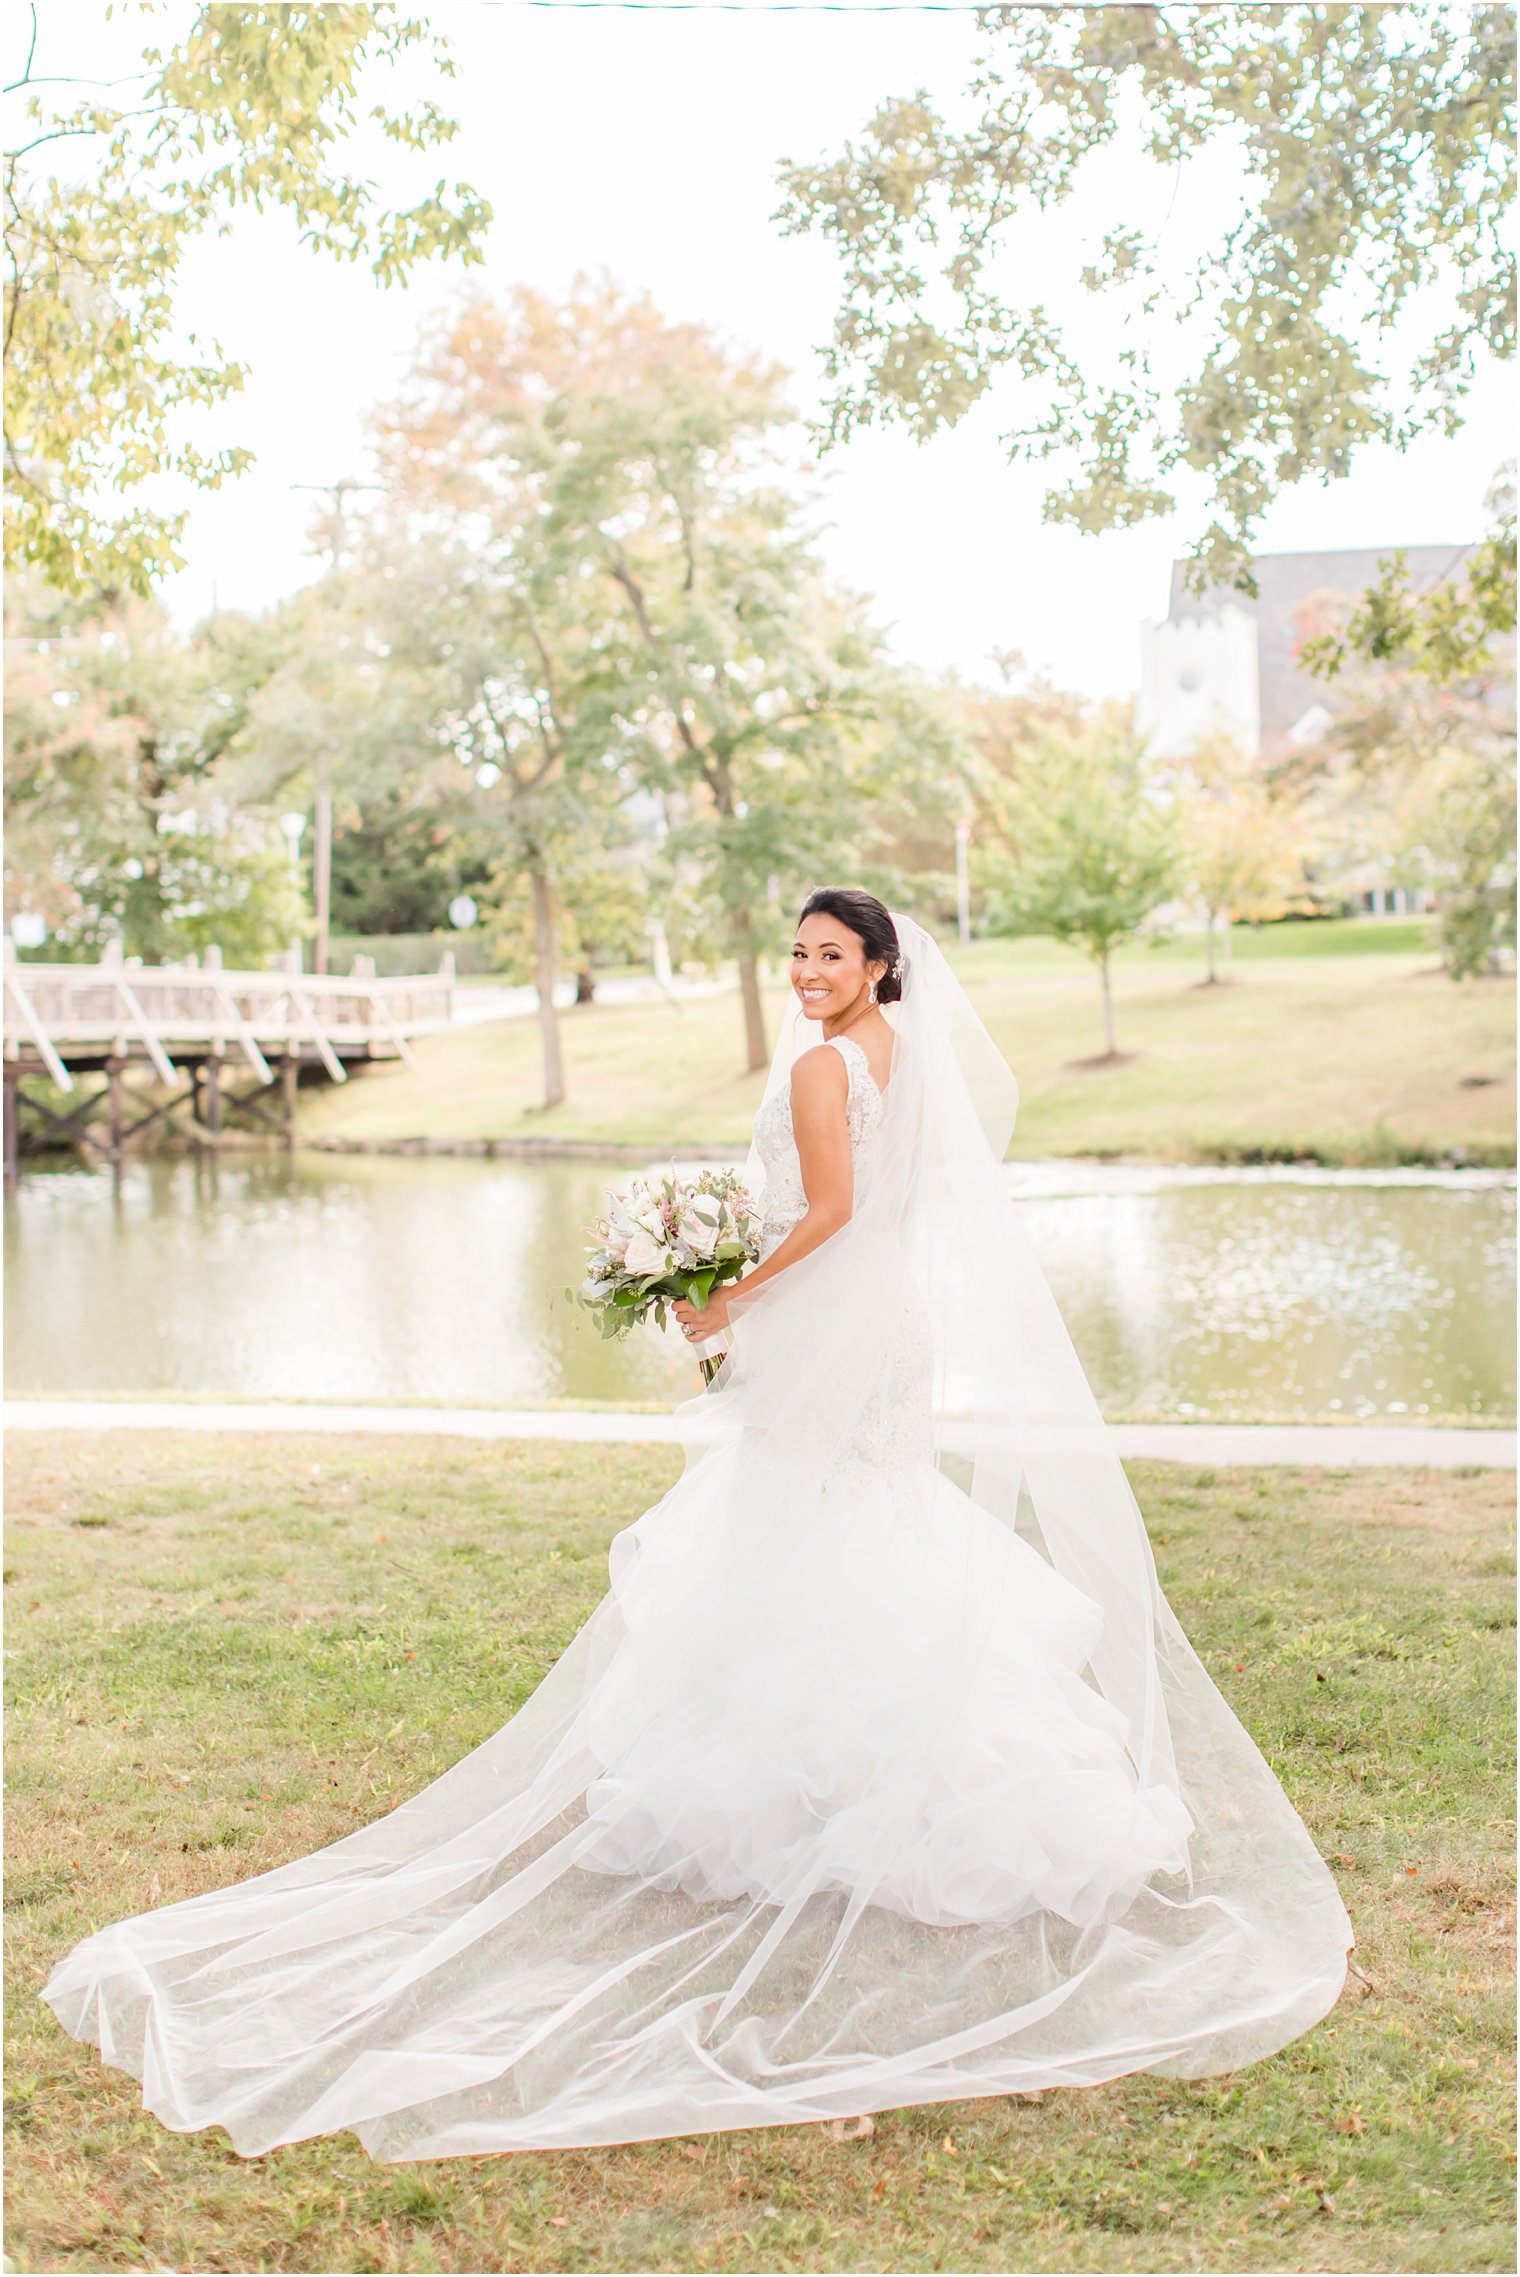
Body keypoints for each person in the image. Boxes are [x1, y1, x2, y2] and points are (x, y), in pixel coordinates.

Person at [43, 888, 1353, 2162]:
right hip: (889, 1321)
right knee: (871, 1515)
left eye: (831, 955)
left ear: (882, 964)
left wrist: (726, 1295)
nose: (806, 974)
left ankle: (816, 1791)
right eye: (797, 954)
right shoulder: (904, 1057)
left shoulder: (829, 1068)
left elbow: (827, 1212)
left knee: (802, 1529)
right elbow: (878, 1213)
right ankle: (900, 1776)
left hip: (835, 1312)